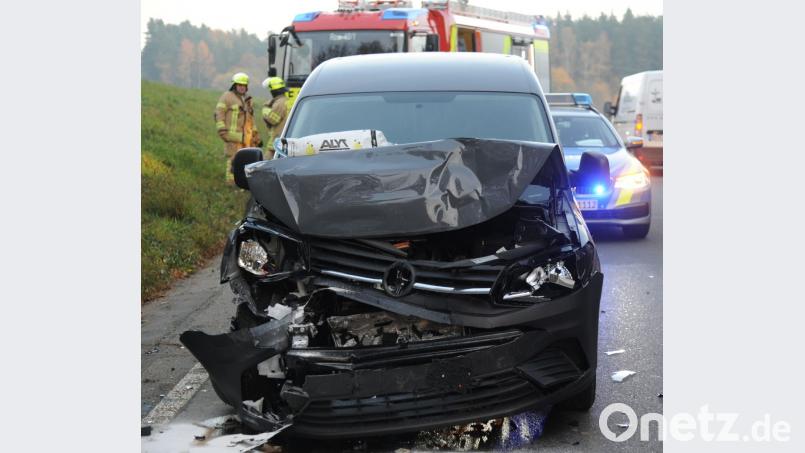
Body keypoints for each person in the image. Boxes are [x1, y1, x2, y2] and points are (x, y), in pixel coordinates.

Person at [215, 72, 261, 182]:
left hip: (246, 137)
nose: (241, 88)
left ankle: (242, 182)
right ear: (235, 85)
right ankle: (230, 183)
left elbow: (251, 119)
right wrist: (222, 130)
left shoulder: (248, 100)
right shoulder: (227, 97)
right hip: (231, 135)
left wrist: (255, 136)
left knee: (245, 160)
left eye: (244, 85)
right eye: (239, 85)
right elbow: (219, 113)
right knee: (232, 159)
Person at [261, 77, 291, 159]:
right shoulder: (285, 101)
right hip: (283, 139)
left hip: (278, 141)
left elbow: (272, 120)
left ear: (273, 91)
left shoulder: (280, 103)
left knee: (266, 162)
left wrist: (265, 110)